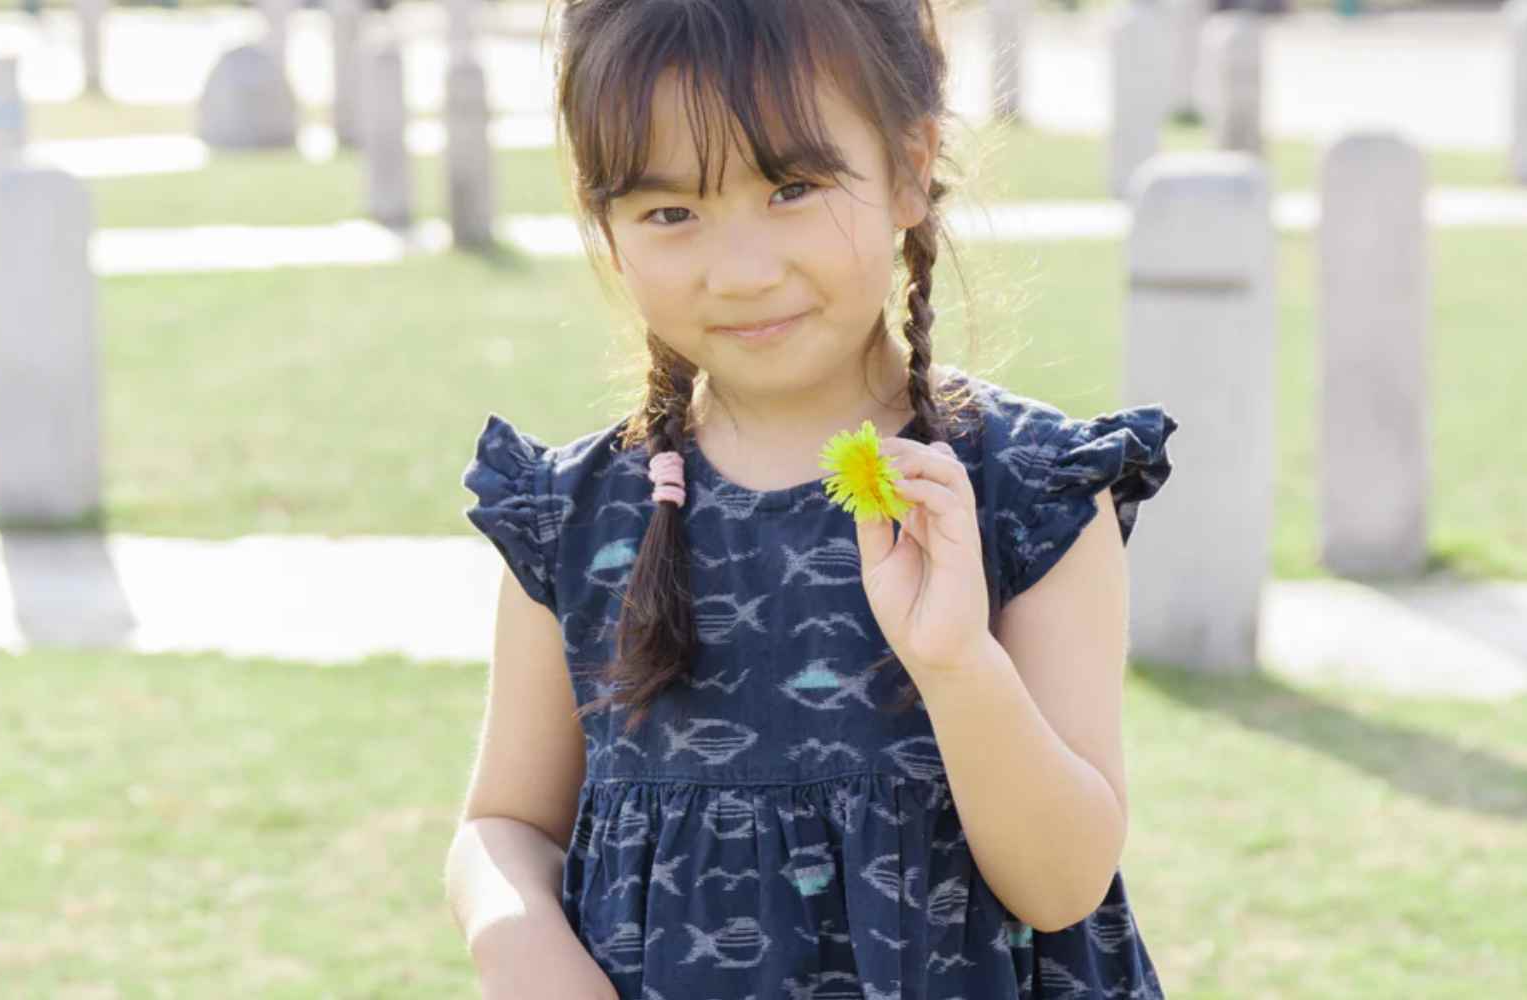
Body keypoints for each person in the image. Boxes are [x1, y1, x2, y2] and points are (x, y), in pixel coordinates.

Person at [443, 1, 1178, 996]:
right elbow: (505, 823)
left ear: (910, 168)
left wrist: (956, 663)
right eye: (669, 212)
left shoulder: (1022, 490)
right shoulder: (571, 518)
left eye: (790, 187)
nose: (743, 271)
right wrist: (515, 941)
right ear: (604, 224)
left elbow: (1061, 885)